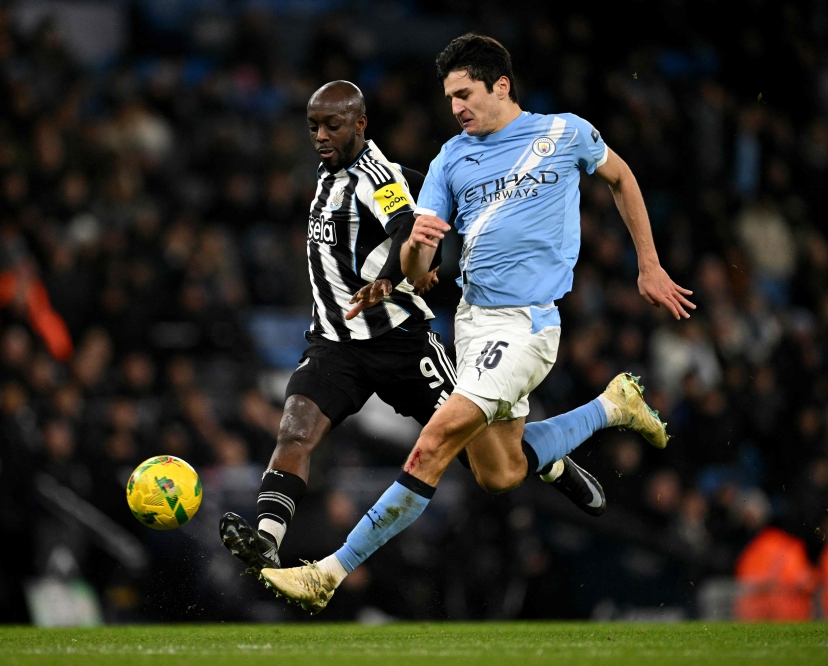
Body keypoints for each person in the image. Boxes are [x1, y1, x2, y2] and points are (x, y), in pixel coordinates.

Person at [259, 35, 696, 613]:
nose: (456, 107)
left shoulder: (563, 133)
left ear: (501, 86)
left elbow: (622, 178)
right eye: (449, 98)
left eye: (464, 94)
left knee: (434, 440)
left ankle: (329, 572)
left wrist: (649, 264)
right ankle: (612, 406)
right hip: (473, 323)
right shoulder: (448, 159)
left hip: (530, 325)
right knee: (499, 471)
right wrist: (407, 263)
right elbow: (422, 263)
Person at [217, 81, 451, 572]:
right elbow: (422, 202)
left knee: (481, 453)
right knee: (293, 433)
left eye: (332, 125)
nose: (320, 135)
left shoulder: (375, 177)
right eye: (313, 126)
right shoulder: (328, 175)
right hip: (334, 343)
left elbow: (408, 228)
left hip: (398, 341)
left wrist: (388, 280)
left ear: (360, 124)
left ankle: (557, 459)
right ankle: (266, 541)